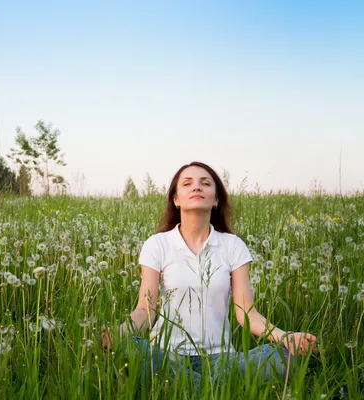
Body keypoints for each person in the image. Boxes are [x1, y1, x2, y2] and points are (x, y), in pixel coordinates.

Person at [102, 161, 317, 383]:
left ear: (215, 200)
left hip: (221, 358)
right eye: (187, 183)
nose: (197, 187)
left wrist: (285, 337)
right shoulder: (157, 244)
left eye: (205, 183)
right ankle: (213, 387)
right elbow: (145, 310)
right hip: (166, 355)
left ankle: (187, 386)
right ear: (176, 199)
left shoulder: (232, 245)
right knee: (130, 349)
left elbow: (246, 314)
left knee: (283, 357)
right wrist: (119, 333)